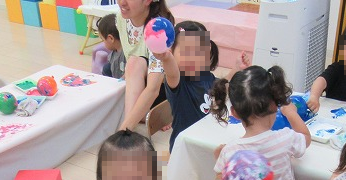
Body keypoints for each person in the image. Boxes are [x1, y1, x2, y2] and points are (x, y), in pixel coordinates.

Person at [211, 65, 313, 180]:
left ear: (234, 112)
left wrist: (218, 156)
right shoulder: (285, 138)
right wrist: (291, 114)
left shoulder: (230, 150)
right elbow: (306, 137)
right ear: (275, 104)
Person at [155, 21, 249, 152]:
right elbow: (171, 73)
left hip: (204, 139)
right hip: (186, 147)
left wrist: (237, 68)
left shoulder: (204, 75)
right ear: (172, 52)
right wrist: (166, 58)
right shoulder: (178, 81)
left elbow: (221, 88)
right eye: (187, 52)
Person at [116, 0, 174, 130]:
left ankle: (128, 129)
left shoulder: (158, 28)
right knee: (131, 63)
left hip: (160, 92)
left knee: (134, 62)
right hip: (140, 84)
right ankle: (133, 122)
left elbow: (153, 89)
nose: (122, 2)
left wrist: (123, 130)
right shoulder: (121, 18)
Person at [98, 14, 126, 79]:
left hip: (126, 82)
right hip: (116, 79)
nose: (103, 43)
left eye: (103, 40)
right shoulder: (114, 52)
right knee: (106, 68)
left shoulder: (126, 54)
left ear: (111, 38)